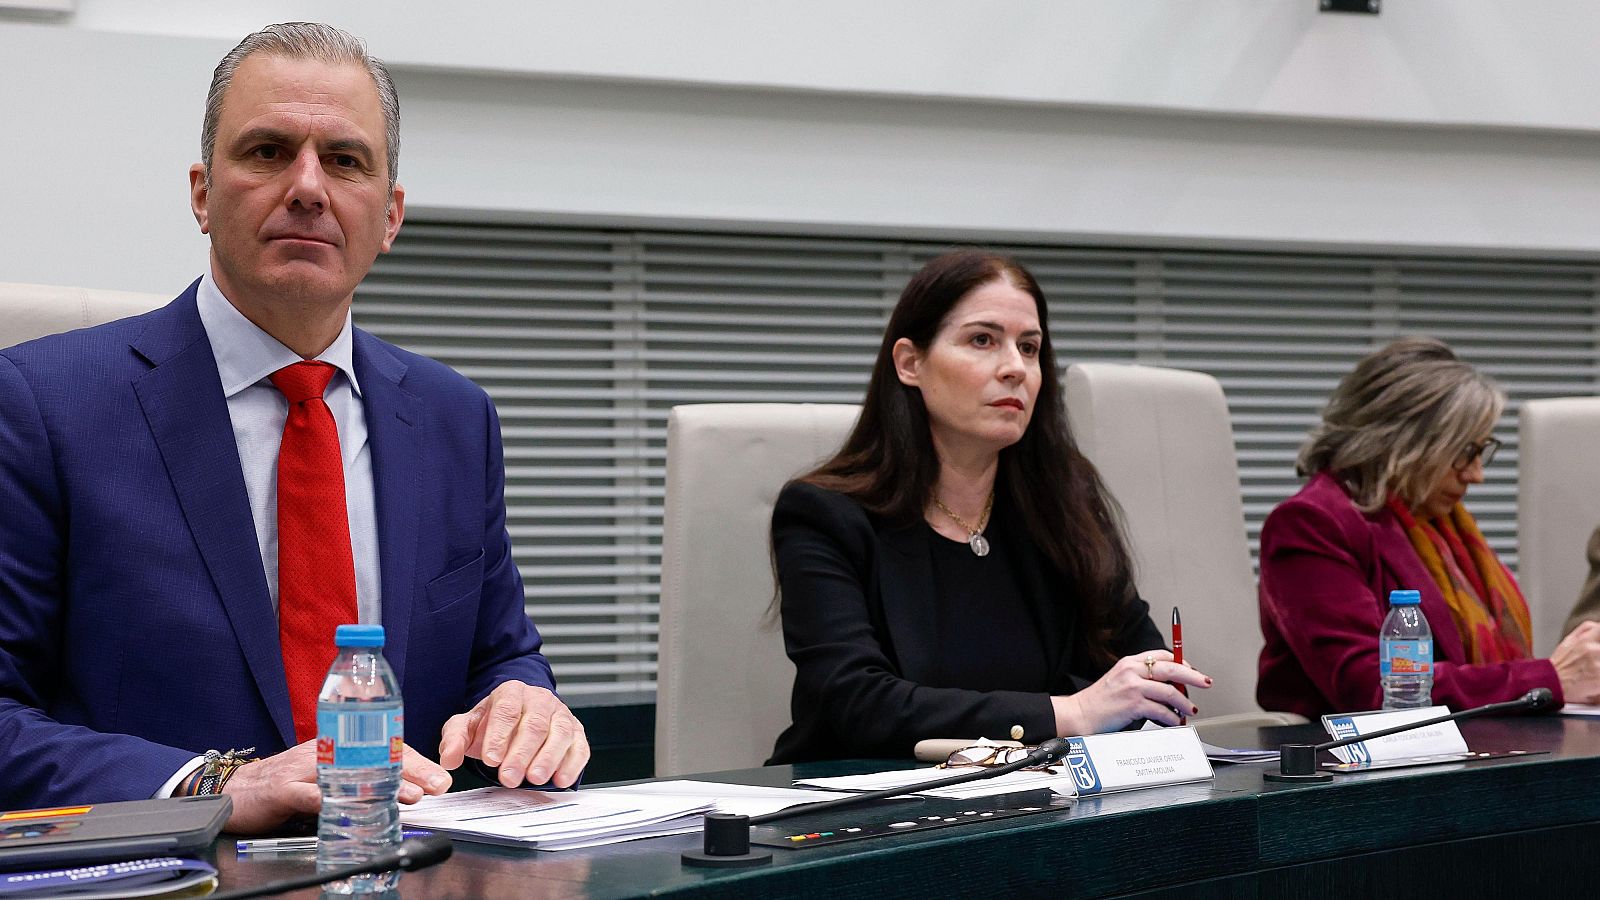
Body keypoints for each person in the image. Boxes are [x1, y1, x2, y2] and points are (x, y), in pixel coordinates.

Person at [0, 23, 587, 832]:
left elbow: (497, 654)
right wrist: (215, 786)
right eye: (269, 151)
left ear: (390, 215)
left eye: (345, 161)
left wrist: (526, 704)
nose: (308, 186)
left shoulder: (455, 417)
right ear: (203, 194)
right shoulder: (42, 405)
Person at [767, 250, 1211, 764]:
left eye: (1029, 347)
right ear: (910, 363)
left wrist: (1136, 691)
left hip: (1042, 802)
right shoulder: (825, 514)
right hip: (864, 811)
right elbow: (857, 704)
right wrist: (1072, 711)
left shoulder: (1065, 502)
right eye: (983, 340)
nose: (1015, 369)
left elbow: (1137, 669)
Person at [1257, 337, 1600, 716]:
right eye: (1465, 452)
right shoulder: (1311, 524)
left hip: (1479, 746)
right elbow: (1373, 689)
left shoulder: (1439, 523)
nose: (1477, 475)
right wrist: (1544, 678)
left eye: (1482, 450)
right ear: (1404, 445)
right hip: (1355, 765)